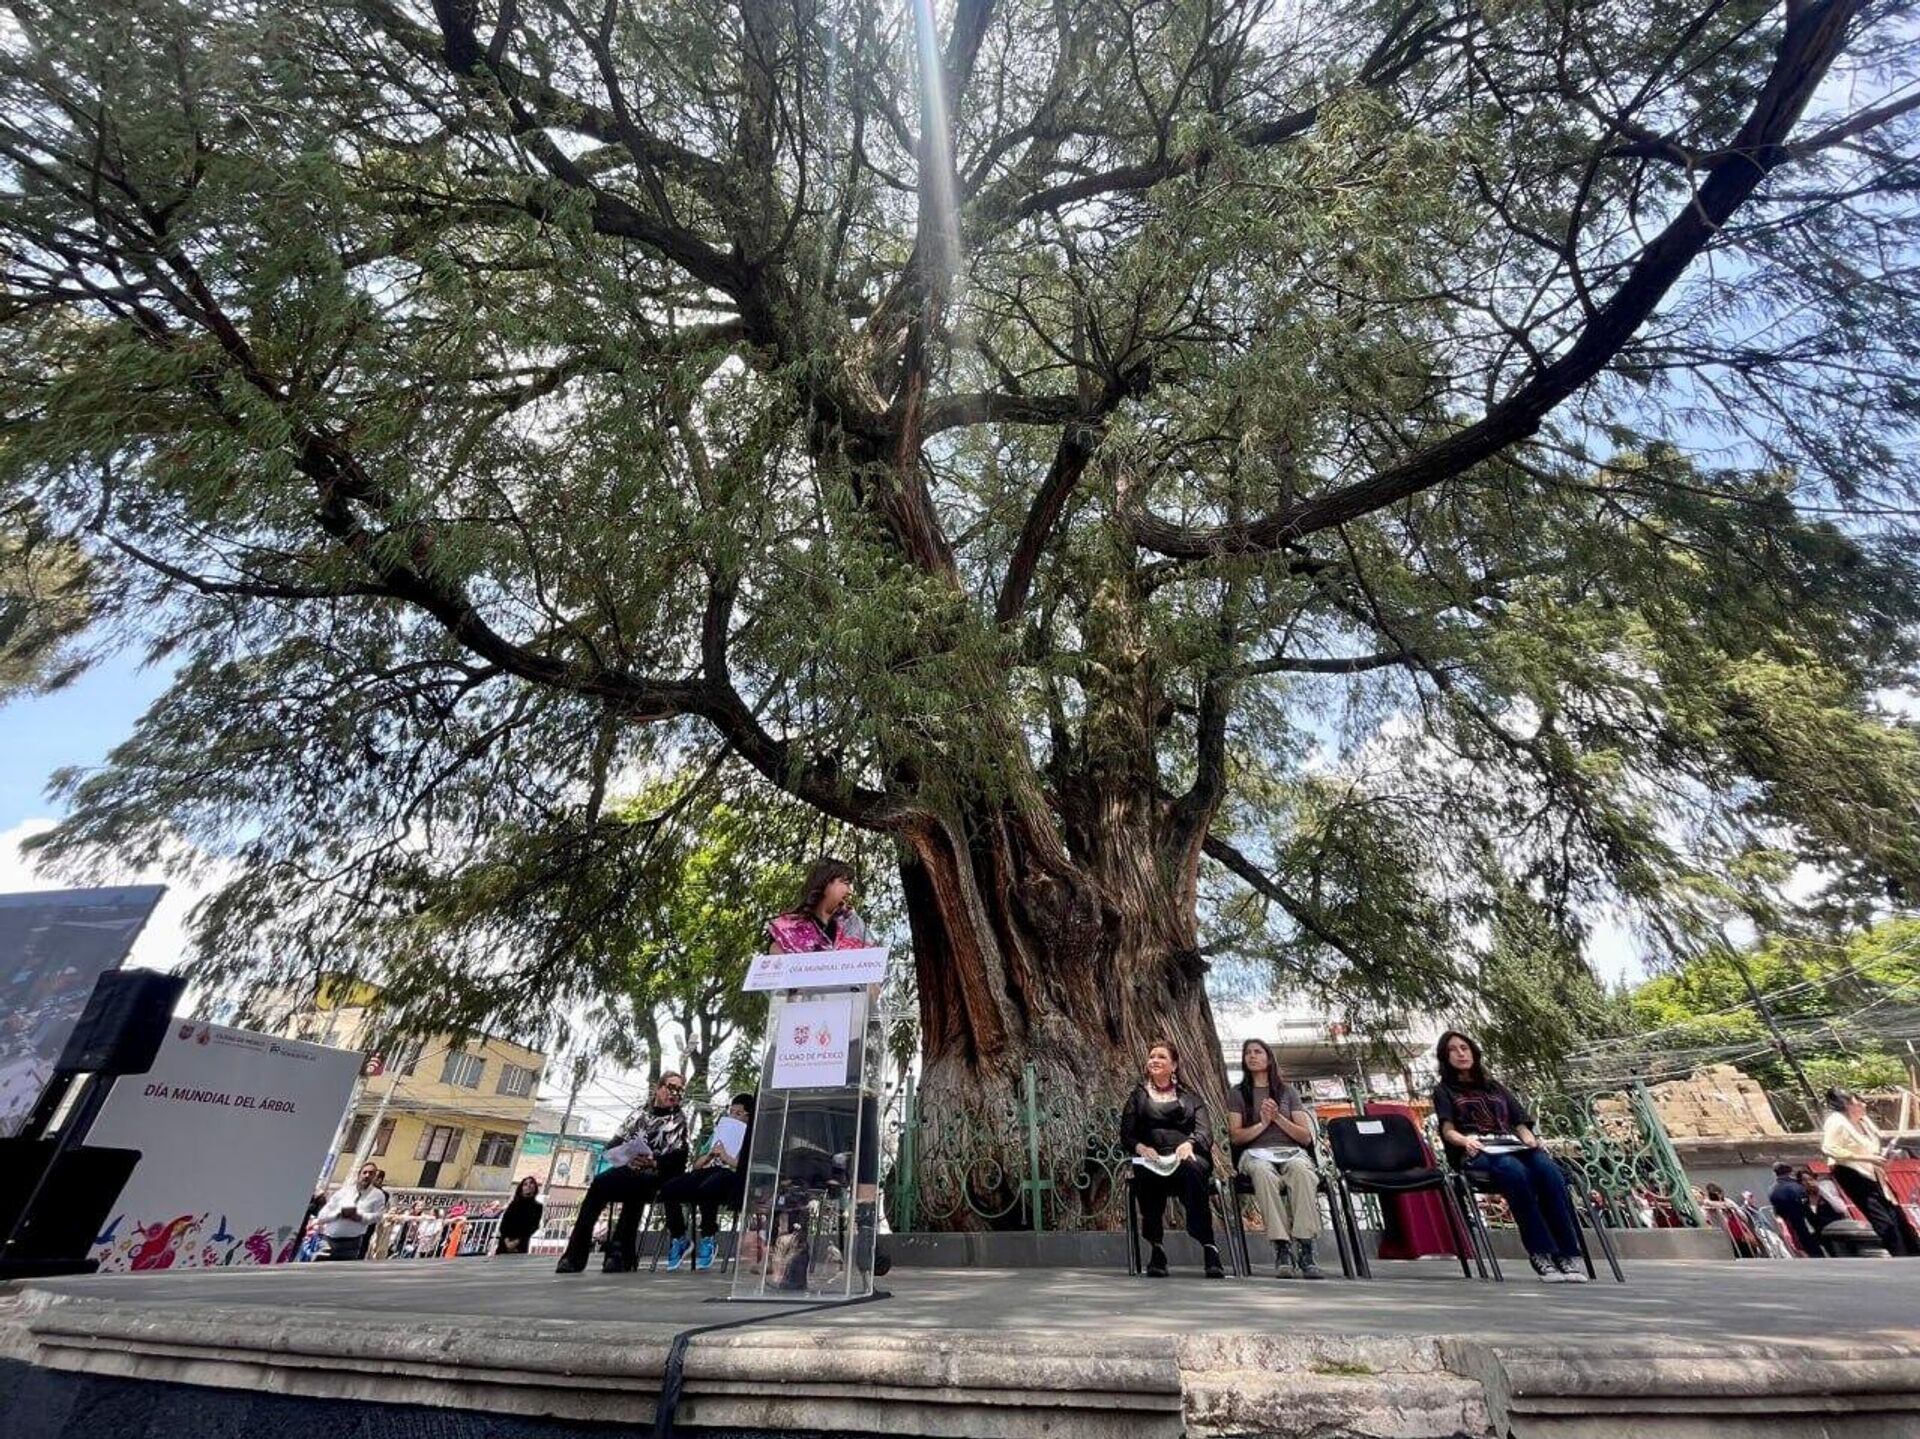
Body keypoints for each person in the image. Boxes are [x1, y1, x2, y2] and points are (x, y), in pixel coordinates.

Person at [764, 857, 891, 1278]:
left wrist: (864, 992)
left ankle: (864, 1240)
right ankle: (794, 1258)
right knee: (802, 1153)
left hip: (851, 1049)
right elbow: (775, 977)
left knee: (863, 1137)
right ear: (822, 883)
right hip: (803, 1054)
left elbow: (875, 982)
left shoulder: (856, 931)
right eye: (842, 881)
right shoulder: (788, 928)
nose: (848, 891)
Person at [1431, 1030, 1587, 1284]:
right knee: (1514, 1172)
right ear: (1444, 1057)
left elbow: (1520, 1123)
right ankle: (1541, 1253)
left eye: (1465, 1047)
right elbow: (1448, 1130)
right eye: (1453, 1050)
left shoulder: (1495, 1087)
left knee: (1549, 1172)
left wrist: (1530, 1140)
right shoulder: (1444, 1091)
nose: (1461, 1053)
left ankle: (1567, 1253)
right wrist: (1466, 1140)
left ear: (1473, 1052)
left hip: (1512, 1144)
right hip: (1478, 1151)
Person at [555, 1072, 692, 1273]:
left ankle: (620, 1252)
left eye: (680, 1090)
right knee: (600, 1183)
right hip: (629, 1168)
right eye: (671, 1087)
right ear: (658, 1088)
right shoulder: (637, 1115)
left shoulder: (678, 1120)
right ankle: (574, 1255)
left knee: (636, 1185)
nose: (675, 1093)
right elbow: (613, 1145)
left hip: (657, 1176)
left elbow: (678, 1159)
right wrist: (628, 1155)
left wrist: (653, 1161)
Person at [1120, 1039, 1225, 1279]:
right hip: (1153, 1158)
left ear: (1174, 1065)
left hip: (1186, 1156)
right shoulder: (1138, 1097)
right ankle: (1156, 1248)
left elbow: (1204, 1131)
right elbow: (1127, 1133)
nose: (1154, 1060)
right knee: (1145, 1175)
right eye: (1152, 1056)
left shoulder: (1191, 1098)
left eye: (1161, 1057)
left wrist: (1189, 1144)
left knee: (1193, 1170)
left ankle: (1209, 1246)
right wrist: (1141, 1148)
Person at [1226, 1038, 1326, 1279]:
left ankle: (1305, 1245)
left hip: (1291, 1151)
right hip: (1255, 1154)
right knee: (1262, 1173)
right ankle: (1282, 1246)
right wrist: (1263, 1123)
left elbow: (1304, 1136)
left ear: (1268, 1058)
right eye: (1248, 1053)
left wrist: (1279, 1119)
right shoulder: (1238, 1094)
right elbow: (1236, 1137)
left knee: (1302, 1172)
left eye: (1258, 1052)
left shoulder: (1287, 1092)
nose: (1252, 1056)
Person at [660, 1093, 755, 1271]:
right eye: (731, 1112)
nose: (733, 1117)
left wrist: (726, 1157)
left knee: (709, 1187)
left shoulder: (752, 1137)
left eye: (739, 1114)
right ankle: (679, 1237)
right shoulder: (718, 1132)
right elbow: (696, 1165)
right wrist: (710, 1155)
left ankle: (708, 1237)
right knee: (669, 1188)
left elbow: (749, 1167)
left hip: (732, 1177)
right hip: (709, 1170)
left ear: (749, 1116)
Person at [1821, 1087, 1919, 1256]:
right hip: (1852, 1171)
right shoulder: (1836, 1121)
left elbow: (1873, 1147)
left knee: (1896, 1214)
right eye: (1858, 1101)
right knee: (1882, 1218)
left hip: (1874, 1171)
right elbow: (1829, 1147)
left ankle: (1914, 1250)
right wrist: (1865, 1158)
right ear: (1847, 1104)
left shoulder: (1864, 1121)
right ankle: (1900, 1254)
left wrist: (1883, 1157)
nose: (1863, 1105)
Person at [314, 1161, 388, 1260]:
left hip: (352, 1244)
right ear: (359, 1174)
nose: (367, 1176)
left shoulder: (378, 1195)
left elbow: (378, 1217)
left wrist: (359, 1217)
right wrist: (338, 1214)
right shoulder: (343, 1192)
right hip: (329, 1242)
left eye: (371, 1173)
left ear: (374, 1177)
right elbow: (322, 1216)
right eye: (365, 1172)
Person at [1769, 1163, 1819, 1257]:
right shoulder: (1796, 1186)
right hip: (1806, 1223)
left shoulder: (1772, 1190)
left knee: (1804, 1249)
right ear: (1789, 1172)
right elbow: (1806, 1205)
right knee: (1815, 1249)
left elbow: (1778, 1212)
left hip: (1791, 1225)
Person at [496, 1176, 543, 1254]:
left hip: (521, 1243)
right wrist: (507, 1241)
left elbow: (533, 1226)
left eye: (531, 1183)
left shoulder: (537, 1206)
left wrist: (516, 1242)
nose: (528, 1186)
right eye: (525, 1184)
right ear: (521, 1188)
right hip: (505, 1242)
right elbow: (504, 1222)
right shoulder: (514, 1204)